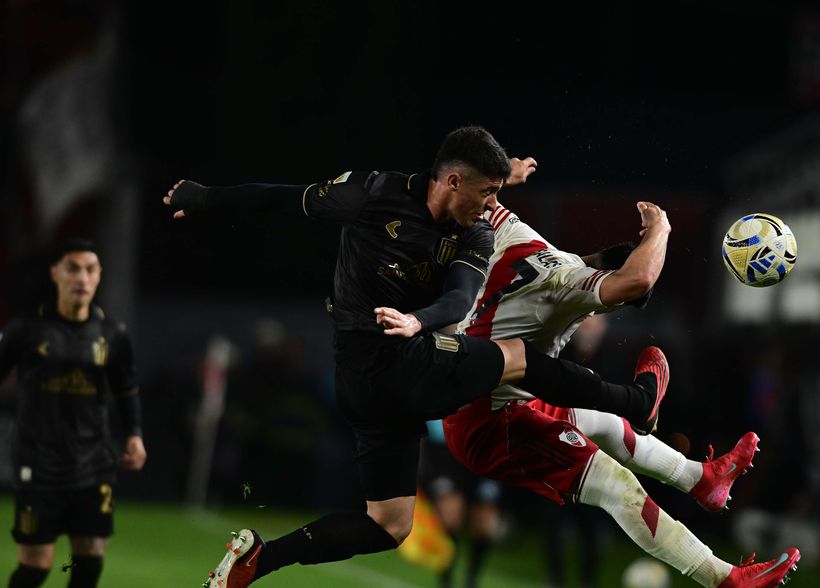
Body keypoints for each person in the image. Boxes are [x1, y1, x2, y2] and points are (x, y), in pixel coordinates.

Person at [164, 126, 668, 587]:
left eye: (497, 192)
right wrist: (206, 197)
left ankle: (262, 558)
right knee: (516, 355)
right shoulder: (372, 194)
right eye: (487, 192)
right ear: (451, 180)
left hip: (392, 373)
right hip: (379, 369)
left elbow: (458, 296)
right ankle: (635, 400)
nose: (493, 204)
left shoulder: (474, 232)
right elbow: (286, 198)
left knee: (389, 524)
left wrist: (417, 321)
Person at [441, 196, 800, 587]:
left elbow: (482, 199)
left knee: (608, 425)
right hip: (492, 421)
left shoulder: (527, 239)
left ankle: (700, 478)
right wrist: (660, 228)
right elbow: (638, 279)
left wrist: (501, 174)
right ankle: (724, 578)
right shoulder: (572, 287)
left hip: (500, 394)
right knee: (618, 487)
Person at [0, 239, 147, 588]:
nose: (82, 277)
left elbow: (126, 390)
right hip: (37, 464)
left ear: (99, 277)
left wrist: (135, 434)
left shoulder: (113, 334)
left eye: (90, 269)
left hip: (94, 463)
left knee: (89, 562)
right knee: (35, 567)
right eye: (73, 268)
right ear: (56, 274)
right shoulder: (26, 329)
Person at [418, 419, 501, 588]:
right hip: (445, 447)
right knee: (450, 518)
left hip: (484, 451)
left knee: (485, 527)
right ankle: (446, 580)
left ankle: (472, 580)